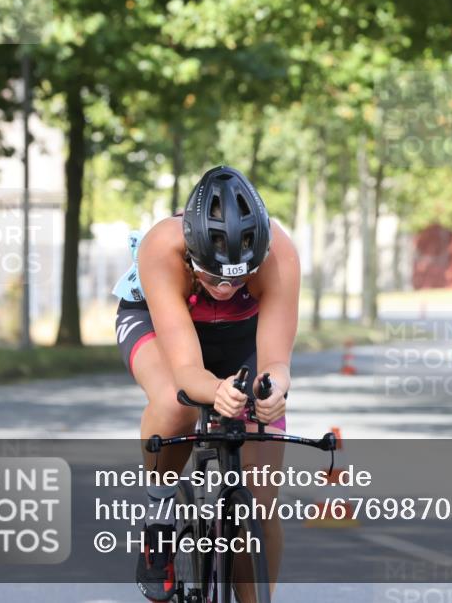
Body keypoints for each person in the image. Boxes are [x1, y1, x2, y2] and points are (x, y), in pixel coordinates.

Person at [112, 166, 300, 601]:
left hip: (240, 333)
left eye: (240, 277)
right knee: (175, 402)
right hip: (159, 324)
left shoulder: (280, 253)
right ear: (191, 253)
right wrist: (215, 391)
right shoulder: (163, 247)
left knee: (261, 504)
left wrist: (273, 388)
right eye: (213, 276)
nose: (226, 287)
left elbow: (275, 362)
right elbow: (186, 371)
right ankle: (159, 515)